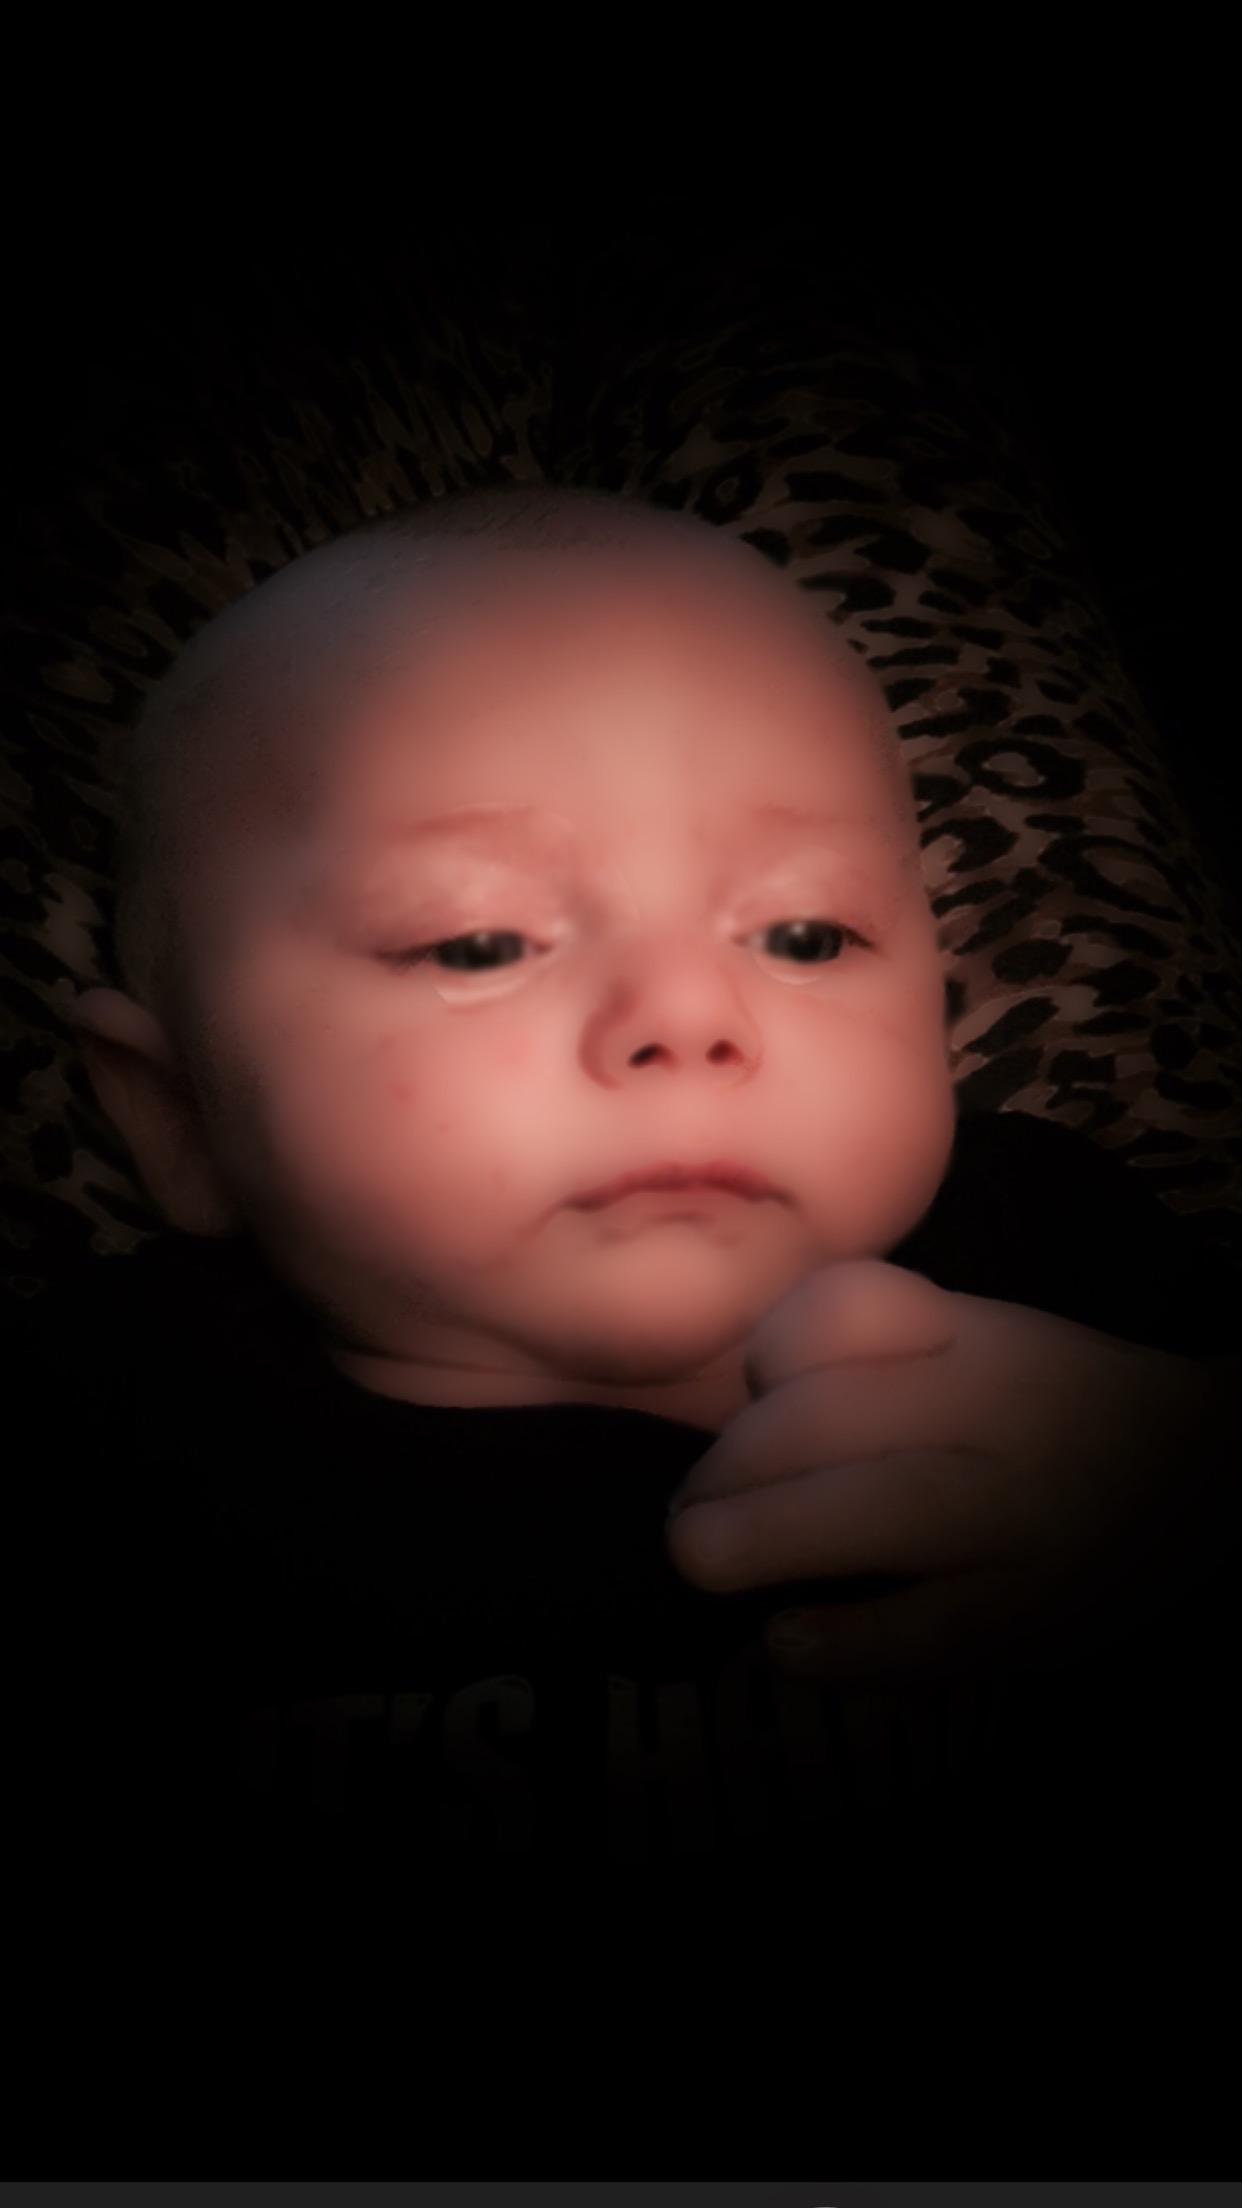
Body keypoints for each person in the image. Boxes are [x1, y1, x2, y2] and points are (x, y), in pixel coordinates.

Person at [10, 484, 1242, 1869]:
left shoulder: (1067, 1267)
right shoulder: (110, 1448)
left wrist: (1185, 1515)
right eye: (478, 944)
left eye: (807, 934)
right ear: (177, 1119)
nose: (689, 1014)